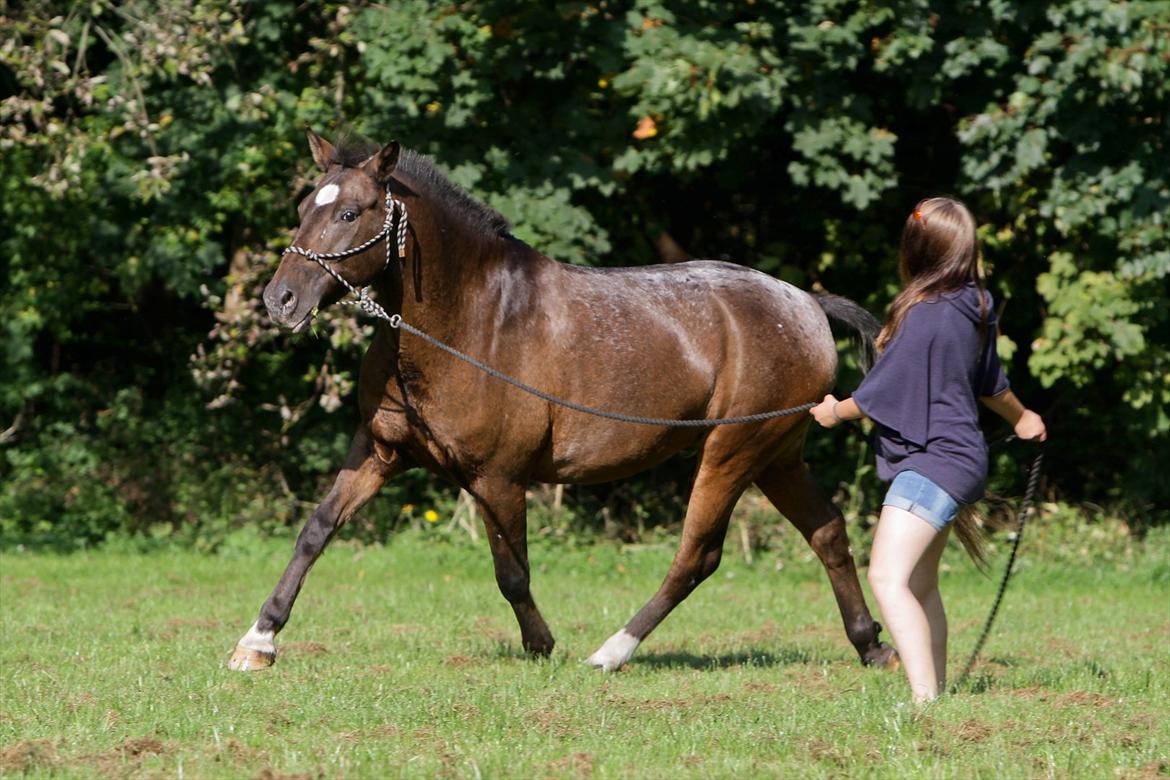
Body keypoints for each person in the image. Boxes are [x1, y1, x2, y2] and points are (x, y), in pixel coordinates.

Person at [810, 197, 1047, 703]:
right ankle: (934, 692)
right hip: (959, 459)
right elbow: (991, 384)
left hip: (934, 461)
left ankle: (924, 703)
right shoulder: (973, 305)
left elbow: (885, 389)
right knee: (919, 584)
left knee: (886, 577)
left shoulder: (928, 311)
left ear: (917, 247)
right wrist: (1023, 416)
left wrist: (835, 412)